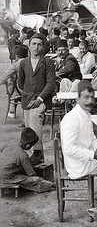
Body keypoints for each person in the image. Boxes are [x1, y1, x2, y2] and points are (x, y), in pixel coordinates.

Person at [18, 33, 56, 164]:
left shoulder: (48, 62)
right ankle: (37, 159)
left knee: (35, 116)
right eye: (33, 44)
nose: (36, 47)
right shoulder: (23, 63)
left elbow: (51, 83)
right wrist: (27, 95)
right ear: (29, 46)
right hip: (27, 100)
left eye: (39, 44)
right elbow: (20, 83)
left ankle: (38, 152)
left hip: (42, 100)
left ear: (43, 47)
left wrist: (39, 99)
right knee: (29, 130)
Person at [60, 81, 97, 179]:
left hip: (87, 160)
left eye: (92, 97)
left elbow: (91, 137)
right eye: (86, 97)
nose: (90, 101)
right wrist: (94, 155)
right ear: (77, 99)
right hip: (79, 167)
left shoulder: (85, 114)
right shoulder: (71, 118)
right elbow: (69, 149)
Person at [0, 127, 54, 193]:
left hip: (4, 172)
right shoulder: (23, 155)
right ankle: (52, 185)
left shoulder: (9, 143)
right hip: (7, 178)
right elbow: (31, 174)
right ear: (28, 146)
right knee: (36, 180)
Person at [0, 45, 28, 117]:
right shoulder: (31, 62)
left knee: (11, 82)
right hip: (34, 89)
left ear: (16, 55)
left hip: (21, 91)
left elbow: (3, 79)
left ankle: (12, 110)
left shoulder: (15, 65)